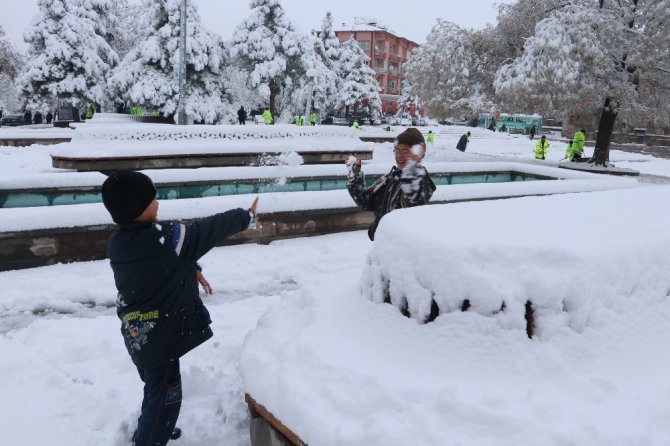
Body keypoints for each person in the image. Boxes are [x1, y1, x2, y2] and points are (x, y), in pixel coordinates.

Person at [101, 170, 258, 446]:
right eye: (152, 200)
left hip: (140, 335)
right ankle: (151, 435)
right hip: (161, 340)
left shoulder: (119, 243)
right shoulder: (165, 237)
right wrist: (246, 216)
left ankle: (152, 427)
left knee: (154, 389)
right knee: (166, 398)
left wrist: (190, 266)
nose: (158, 204)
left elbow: (157, 266)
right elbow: (208, 230)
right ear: (137, 208)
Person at [346, 128, 436, 241]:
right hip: (382, 245)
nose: (399, 156)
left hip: (398, 250)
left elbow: (413, 203)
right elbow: (366, 200)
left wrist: (412, 168)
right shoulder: (390, 178)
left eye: (405, 151)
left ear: (419, 154)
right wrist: (355, 174)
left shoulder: (420, 182)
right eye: (397, 151)